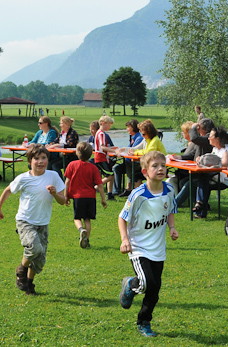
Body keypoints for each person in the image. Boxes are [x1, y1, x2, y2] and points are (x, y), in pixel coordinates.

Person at [118, 151, 179, 337]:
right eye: (155, 166)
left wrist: (172, 227)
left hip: (158, 249)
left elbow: (170, 211)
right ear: (145, 171)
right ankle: (130, 284)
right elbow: (122, 218)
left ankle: (144, 322)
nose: (160, 169)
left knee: (154, 290)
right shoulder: (138, 195)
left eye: (163, 165)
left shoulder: (169, 191)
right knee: (145, 283)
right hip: (139, 247)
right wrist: (125, 239)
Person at [0, 144, 66, 295]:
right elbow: (8, 190)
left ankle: (29, 283)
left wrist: (55, 193)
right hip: (25, 220)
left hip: (43, 222)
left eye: (44, 158)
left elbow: (63, 200)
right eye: (36, 158)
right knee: (34, 248)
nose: (40, 162)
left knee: (39, 260)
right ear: (30, 161)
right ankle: (21, 270)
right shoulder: (23, 178)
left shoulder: (53, 176)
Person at [64, 142, 107, 248]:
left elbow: (67, 182)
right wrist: (103, 199)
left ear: (77, 153)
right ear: (91, 154)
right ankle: (86, 240)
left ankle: (81, 229)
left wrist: (66, 195)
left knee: (77, 218)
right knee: (87, 219)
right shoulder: (93, 168)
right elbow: (100, 185)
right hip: (90, 197)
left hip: (78, 197)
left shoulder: (72, 165)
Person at [193, 126, 228, 218]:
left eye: (210, 136)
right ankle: (201, 207)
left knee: (202, 179)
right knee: (202, 180)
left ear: (217, 139)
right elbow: (211, 161)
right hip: (219, 176)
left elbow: (224, 165)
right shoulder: (215, 149)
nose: (208, 138)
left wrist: (208, 163)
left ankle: (200, 207)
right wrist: (202, 159)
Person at [172, 118, 215, 207]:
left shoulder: (208, 138)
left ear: (204, 128)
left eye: (199, 127)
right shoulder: (203, 138)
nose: (198, 129)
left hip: (208, 174)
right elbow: (192, 154)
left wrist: (193, 127)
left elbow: (194, 138)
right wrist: (178, 157)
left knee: (189, 183)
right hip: (201, 171)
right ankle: (198, 204)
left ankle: (174, 205)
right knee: (183, 182)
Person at [113, 119, 144, 197]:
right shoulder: (133, 137)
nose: (127, 129)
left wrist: (122, 151)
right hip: (129, 161)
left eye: (128, 127)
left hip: (135, 162)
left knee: (124, 166)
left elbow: (132, 150)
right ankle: (119, 190)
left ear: (133, 127)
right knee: (117, 168)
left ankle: (127, 190)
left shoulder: (139, 138)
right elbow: (129, 148)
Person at [94, 115, 118, 200]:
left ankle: (110, 194)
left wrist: (112, 148)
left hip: (101, 157)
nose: (110, 126)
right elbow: (102, 147)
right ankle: (95, 188)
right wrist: (114, 151)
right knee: (110, 176)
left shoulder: (99, 133)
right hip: (100, 157)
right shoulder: (101, 134)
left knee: (111, 174)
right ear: (103, 123)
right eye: (109, 124)